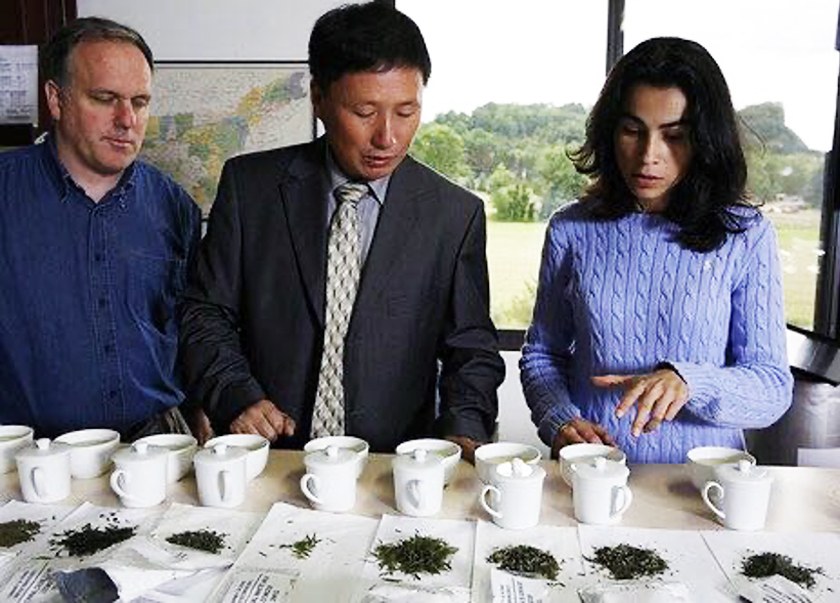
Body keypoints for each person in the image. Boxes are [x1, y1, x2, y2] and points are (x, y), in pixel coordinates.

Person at [179, 2, 504, 458]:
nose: (387, 137)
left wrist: (463, 431)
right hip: (269, 457)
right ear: (319, 98)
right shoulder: (250, 189)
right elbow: (204, 312)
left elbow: (470, 347)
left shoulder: (455, 214)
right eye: (365, 111)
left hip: (394, 465)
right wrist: (237, 395)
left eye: (407, 111)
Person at [520, 37, 793, 464]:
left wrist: (689, 382)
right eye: (632, 130)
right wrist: (559, 418)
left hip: (703, 489)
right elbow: (543, 353)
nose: (649, 155)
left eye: (675, 136)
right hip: (590, 476)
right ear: (610, 131)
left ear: (705, 139)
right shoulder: (571, 228)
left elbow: (771, 387)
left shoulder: (747, 235)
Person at [0, 17, 205, 440]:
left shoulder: (175, 205)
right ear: (57, 100)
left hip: (156, 446)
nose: (127, 119)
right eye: (105, 98)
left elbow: (192, 328)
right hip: (28, 455)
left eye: (140, 101)